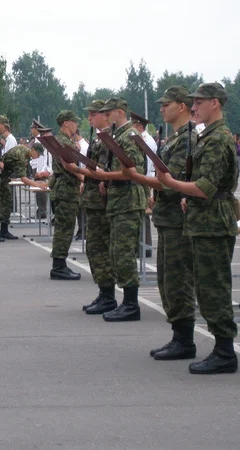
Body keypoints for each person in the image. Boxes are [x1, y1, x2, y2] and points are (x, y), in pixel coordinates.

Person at [157, 83, 238, 374]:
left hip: (213, 223)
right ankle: (220, 349)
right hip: (204, 221)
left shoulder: (217, 139)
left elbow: (205, 187)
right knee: (205, 288)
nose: (193, 107)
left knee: (213, 288)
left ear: (215, 103)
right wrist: (185, 194)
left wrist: (173, 184)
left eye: (199, 102)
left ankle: (225, 353)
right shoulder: (208, 136)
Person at [122, 86, 197, 359]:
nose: (162, 108)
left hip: (179, 221)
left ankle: (185, 340)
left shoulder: (189, 138)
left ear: (182, 106)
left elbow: (173, 182)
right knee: (167, 280)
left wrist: (138, 178)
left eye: (167, 104)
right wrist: (152, 193)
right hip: (167, 219)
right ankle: (179, 336)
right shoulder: (175, 138)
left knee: (178, 281)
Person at [67, 98, 147, 321]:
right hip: (117, 198)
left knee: (122, 253)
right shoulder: (117, 136)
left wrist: (104, 176)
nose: (103, 116)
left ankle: (130, 304)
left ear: (119, 113)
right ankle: (110, 297)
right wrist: (105, 178)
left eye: (106, 112)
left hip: (128, 199)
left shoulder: (129, 136)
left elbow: (135, 171)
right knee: (111, 251)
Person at [76, 100, 118, 314]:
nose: (90, 118)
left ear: (105, 116)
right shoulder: (98, 139)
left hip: (101, 202)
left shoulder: (108, 139)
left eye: (94, 114)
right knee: (94, 249)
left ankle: (109, 296)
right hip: (92, 200)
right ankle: (104, 292)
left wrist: (77, 168)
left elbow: (103, 170)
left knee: (100, 248)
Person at [49, 110, 83, 280]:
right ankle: (59, 265)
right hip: (66, 188)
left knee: (64, 228)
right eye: (74, 121)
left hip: (65, 187)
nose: (77, 125)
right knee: (65, 229)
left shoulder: (65, 141)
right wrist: (84, 178)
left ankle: (59, 264)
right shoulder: (63, 142)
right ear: (66, 123)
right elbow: (68, 165)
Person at [131, 111, 157, 256]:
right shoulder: (143, 139)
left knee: (144, 214)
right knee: (142, 214)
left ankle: (145, 247)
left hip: (144, 180)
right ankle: (143, 246)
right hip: (143, 179)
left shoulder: (146, 141)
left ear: (140, 127)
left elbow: (146, 165)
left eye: (133, 125)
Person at [30, 120, 53, 219]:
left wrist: (46, 172)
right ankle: (42, 210)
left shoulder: (52, 147)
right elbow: (45, 162)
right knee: (39, 191)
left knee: (45, 193)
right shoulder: (46, 147)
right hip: (43, 172)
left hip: (50, 175)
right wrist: (41, 171)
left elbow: (52, 165)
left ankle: (44, 210)